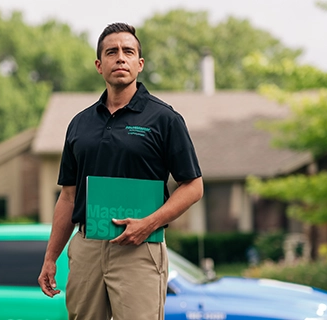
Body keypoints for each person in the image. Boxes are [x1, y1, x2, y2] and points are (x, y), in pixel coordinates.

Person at [38, 22, 204, 320]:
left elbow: (193, 186)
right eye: (111, 52)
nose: (120, 58)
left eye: (128, 51)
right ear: (99, 65)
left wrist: (149, 223)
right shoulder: (80, 124)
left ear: (139, 64)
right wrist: (51, 257)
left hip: (140, 248)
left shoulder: (164, 119)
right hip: (87, 247)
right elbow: (68, 196)